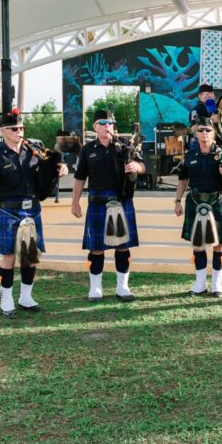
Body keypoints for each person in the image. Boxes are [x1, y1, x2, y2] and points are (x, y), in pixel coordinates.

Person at [0, 108, 68, 317]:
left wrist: (62, 166)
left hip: (32, 210)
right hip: (8, 211)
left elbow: (53, 163)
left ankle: (26, 297)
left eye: (21, 127)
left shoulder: (34, 150)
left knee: (30, 257)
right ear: (4, 131)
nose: (19, 131)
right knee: (9, 257)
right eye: (14, 128)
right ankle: (6, 298)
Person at [71, 109, 145, 302]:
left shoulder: (124, 146)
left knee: (122, 247)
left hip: (121, 201)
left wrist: (136, 167)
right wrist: (75, 203)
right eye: (102, 123)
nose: (107, 126)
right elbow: (79, 178)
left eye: (110, 123)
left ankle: (123, 287)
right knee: (96, 248)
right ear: (95, 127)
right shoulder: (87, 149)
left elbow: (144, 166)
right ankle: (96, 288)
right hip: (97, 202)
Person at [173, 118, 222, 297]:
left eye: (208, 131)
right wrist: (177, 201)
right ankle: (200, 283)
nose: (204, 134)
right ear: (196, 134)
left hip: (218, 201)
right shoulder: (190, 155)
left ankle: (217, 284)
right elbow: (183, 179)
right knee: (198, 245)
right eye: (201, 130)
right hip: (195, 201)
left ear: (213, 134)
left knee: (218, 245)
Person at [188, 84, 219, 152]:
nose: (210, 95)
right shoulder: (196, 110)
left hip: (214, 142)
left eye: (211, 93)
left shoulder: (214, 108)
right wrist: (208, 121)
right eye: (207, 94)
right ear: (200, 96)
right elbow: (193, 128)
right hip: (199, 144)